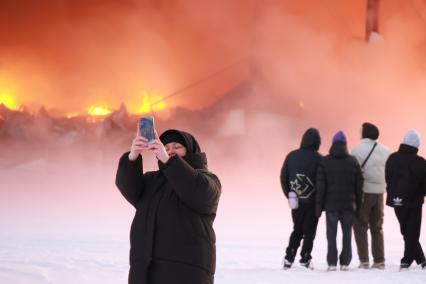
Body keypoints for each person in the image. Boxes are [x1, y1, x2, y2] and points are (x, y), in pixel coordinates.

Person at [115, 125, 221, 284]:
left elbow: (197, 191)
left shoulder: (208, 180)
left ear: (191, 151)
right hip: (146, 272)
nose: (171, 150)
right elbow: (128, 187)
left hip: (185, 273)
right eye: (166, 147)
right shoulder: (152, 181)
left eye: (177, 147)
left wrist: (168, 161)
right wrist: (133, 156)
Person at [316, 131, 363, 271]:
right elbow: (359, 186)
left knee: (331, 235)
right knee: (347, 234)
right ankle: (345, 263)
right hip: (349, 206)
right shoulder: (353, 161)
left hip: (331, 206)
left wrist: (318, 207)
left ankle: (331, 263)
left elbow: (320, 187)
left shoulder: (324, 161)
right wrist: (358, 206)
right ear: (345, 144)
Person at [280, 128, 322, 269]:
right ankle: (305, 257)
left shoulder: (291, 156)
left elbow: (283, 177)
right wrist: (320, 201)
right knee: (310, 231)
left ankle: (289, 257)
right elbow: (322, 182)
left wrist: (290, 194)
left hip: (296, 201)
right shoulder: (319, 159)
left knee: (297, 229)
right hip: (312, 202)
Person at [385, 129, 426, 271]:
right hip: (414, 202)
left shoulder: (392, 158)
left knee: (406, 231)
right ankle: (406, 261)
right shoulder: (420, 162)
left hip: (397, 201)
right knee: (412, 232)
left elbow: (388, 178)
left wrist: (394, 193)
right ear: (416, 144)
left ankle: (421, 259)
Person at [351, 123, 390, 269]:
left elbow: (353, 174)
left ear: (364, 133)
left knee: (360, 225)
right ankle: (379, 261)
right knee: (377, 227)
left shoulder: (356, 150)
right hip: (380, 193)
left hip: (364, 193)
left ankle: (364, 260)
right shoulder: (386, 151)